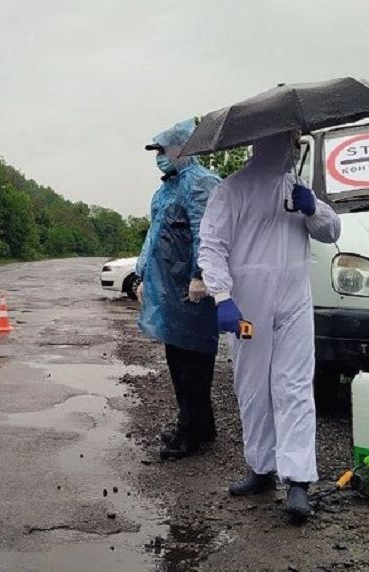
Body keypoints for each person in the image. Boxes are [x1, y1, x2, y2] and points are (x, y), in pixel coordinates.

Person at [197, 131, 341, 521]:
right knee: (253, 386)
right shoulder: (232, 189)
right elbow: (211, 245)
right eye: (285, 141)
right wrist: (222, 296)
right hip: (249, 304)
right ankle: (261, 467)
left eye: (293, 141)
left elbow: (331, 232)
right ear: (261, 143)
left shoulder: (297, 186)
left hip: (295, 299)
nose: (290, 148)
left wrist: (314, 210)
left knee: (294, 384)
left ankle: (297, 480)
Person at [135, 119, 221, 460]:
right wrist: (142, 274)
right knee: (179, 360)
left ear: (183, 148)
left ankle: (190, 434)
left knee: (194, 365)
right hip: (169, 291)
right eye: (156, 151)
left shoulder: (201, 183)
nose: (159, 156)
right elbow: (153, 235)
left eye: (163, 149)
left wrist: (200, 275)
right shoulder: (167, 188)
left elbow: (207, 232)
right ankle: (199, 426)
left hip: (192, 292)